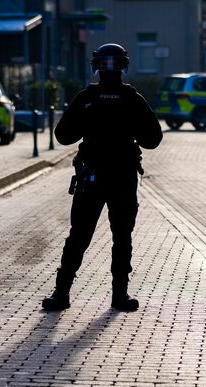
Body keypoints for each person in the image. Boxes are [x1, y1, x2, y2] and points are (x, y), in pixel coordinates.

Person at [42, 43, 163, 312]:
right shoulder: (133, 99)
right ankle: (120, 295)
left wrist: (88, 122)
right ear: (124, 66)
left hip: (92, 177)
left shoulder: (87, 98)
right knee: (122, 236)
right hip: (122, 177)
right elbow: (154, 139)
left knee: (79, 236)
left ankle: (61, 293)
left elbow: (63, 136)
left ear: (96, 66)